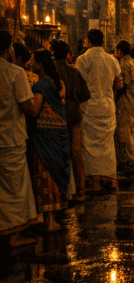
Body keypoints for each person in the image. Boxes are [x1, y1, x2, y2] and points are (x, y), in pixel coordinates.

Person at [0, 31, 39, 246]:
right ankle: (14, 234)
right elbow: (28, 107)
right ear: (8, 50)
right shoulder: (15, 73)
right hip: (10, 137)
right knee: (14, 187)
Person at [27, 50, 70, 232]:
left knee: (45, 174)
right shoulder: (55, 82)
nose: (31, 63)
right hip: (57, 133)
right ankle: (50, 219)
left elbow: (35, 110)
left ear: (40, 64)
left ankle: (50, 220)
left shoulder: (42, 84)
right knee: (53, 173)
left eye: (33, 61)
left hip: (45, 136)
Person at [76, 29, 122, 191]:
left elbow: (79, 83)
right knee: (107, 144)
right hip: (107, 105)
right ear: (103, 42)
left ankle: (94, 181)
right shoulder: (112, 61)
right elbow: (119, 83)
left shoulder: (83, 59)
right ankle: (111, 178)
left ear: (88, 41)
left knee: (89, 144)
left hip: (90, 106)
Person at [51, 39, 90, 202]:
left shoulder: (51, 72)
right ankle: (80, 191)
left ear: (52, 53)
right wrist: (73, 102)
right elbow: (86, 94)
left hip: (56, 116)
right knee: (76, 153)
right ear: (67, 54)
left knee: (57, 152)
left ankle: (61, 191)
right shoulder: (74, 72)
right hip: (74, 115)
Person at [114, 40, 134, 174]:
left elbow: (122, 86)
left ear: (120, 51)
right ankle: (126, 160)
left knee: (126, 135)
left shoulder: (124, 65)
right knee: (129, 132)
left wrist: (114, 98)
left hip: (126, 103)